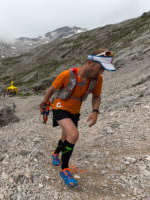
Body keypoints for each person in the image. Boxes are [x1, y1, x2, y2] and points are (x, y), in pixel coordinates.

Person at [40, 49, 115, 186]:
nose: (102, 72)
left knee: (66, 137)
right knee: (74, 135)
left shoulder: (98, 79)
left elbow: (96, 96)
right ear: (90, 63)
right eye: (100, 68)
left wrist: (95, 111)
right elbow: (51, 90)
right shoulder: (66, 75)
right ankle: (64, 169)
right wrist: (44, 104)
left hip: (75, 111)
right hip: (59, 107)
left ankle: (56, 153)